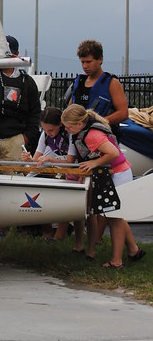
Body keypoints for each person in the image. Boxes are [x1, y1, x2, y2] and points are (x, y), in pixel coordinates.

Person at [61, 104, 144, 268]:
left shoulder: (92, 135)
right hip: (113, 173)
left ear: (79, 124)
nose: (66, 129)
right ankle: (134, 251)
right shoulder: (84, 131)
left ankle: (116, 261)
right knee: (115, 216)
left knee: (115, 217)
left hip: (118, 173)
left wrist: (95, 163)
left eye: (68, 126)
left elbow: (113, 153)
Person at [0, 35, 41, 159]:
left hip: (15, 140)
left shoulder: (27, 81)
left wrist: (26, 138)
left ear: (16, 54)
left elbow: (35, 112)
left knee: (13, 172)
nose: (3, 60)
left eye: (8, 56)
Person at [22, 105, 78, 244]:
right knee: (40, 195)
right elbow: (36, 160)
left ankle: (59, 237)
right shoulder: (45, 134)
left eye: (51, 130)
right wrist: (28, 159)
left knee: (66, 201)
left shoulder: (70, 134)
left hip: (72, 171)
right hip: (57, 170)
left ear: (61, 125)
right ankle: (47, 232)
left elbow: (70, 161)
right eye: (45, 130)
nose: (48, 133)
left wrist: (50, 159)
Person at [65, 40, 129, 136]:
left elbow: (123, 113)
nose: (85, 66)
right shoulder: (78, 83)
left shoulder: (112, 83)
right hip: (77, 137)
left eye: (89, 62)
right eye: (82, 62)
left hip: (102, 136)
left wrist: (97, 123)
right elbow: (70, 109)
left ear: (100, 59)